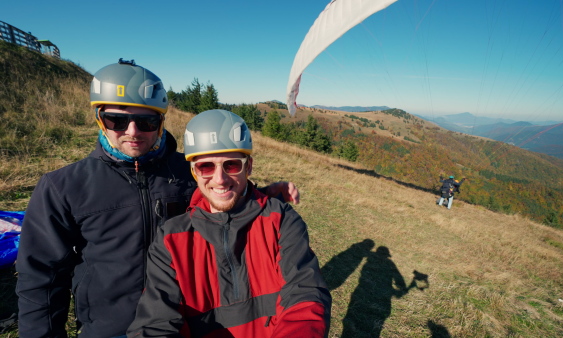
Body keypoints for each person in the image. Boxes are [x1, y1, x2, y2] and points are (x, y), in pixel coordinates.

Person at [15, 59, 300, 338]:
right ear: (98, 118)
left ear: (161, 120)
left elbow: (224, 198)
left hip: (186, 321)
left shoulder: (191, 171)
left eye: (146, 121)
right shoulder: (63, 187)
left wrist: (260, 194)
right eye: (116, 119)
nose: (132, 132)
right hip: (110, 327)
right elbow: (42, 278)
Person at [126, 110, 331, 337]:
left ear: (249, 166)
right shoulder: (171, 239)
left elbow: (304, 296)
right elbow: (156, 324)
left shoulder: (281, 220)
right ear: (194, 172)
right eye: (206, 167)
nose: (219, 179)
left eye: (231, 165)